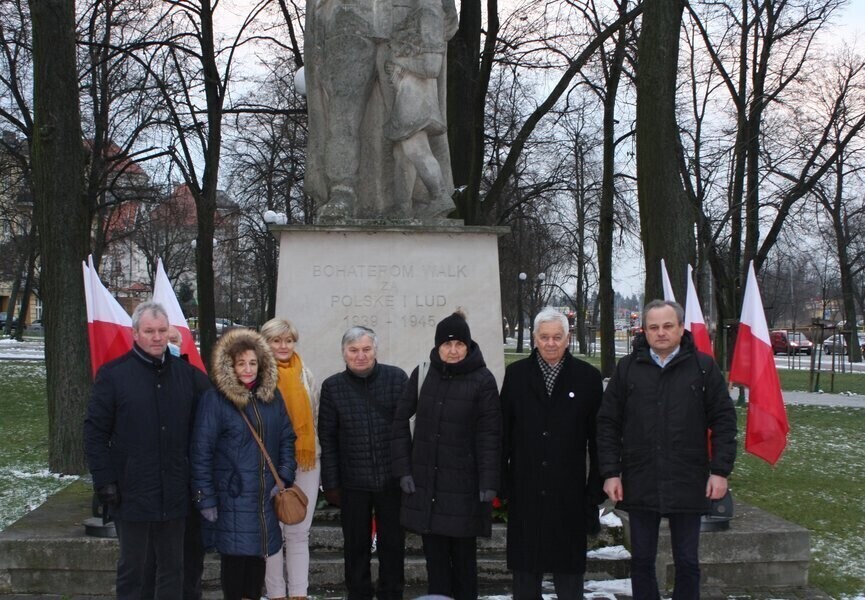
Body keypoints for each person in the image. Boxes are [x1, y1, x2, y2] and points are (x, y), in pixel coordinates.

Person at [597, 300, 737, 599]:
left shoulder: (702, 367)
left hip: (687, 477)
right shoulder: (628, 368)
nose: (661, 333)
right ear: (644, 330)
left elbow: (724, 420)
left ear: (681, 328)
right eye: (653, 327)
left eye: (667, 326)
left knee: (687, 561)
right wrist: (611, 472)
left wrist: (720, 471)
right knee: (642, 561)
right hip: (640, 476)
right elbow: (607, 423)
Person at [84, 301, 205, 599]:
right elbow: (94, 433)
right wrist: (105, 482)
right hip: (131, 491)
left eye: (162, 330)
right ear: (135, 333)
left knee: (173, 569)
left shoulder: (186, 375)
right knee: (134, 570)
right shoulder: (113, 375)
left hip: (175, 490)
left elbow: (219, 405)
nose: (156, 337)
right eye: (149, 331)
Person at [392, 310, 501, 600]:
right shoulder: (423, 373)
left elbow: (490, 434)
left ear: (468, 345)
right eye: (447, 345)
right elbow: (400, 423)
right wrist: (403, 470)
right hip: (428, 486)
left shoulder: (482, 380)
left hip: (464, 489)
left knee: (464, 563)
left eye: (459, 345)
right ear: (438, 346)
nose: (453, 351)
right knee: (436, 564)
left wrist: (489, 482)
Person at [499, 307, 604, 599]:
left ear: (568, 338)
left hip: (568, 495)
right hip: (525, 492)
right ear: (534, 338)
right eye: (544, 337)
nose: (551, 343)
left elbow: (599, 440)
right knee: (525, 578)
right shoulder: (516, 375)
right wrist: (503, 484)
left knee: (569, 580)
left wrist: (594, 490)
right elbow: (502, 435)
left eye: (557, 337)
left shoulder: (587, 378)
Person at [190, 328, 297, 600]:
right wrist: (206, 498)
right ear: (230, 366)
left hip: (264, 497)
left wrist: (283, 476)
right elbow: (201, 451)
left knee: (256, 564)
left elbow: (287, 437)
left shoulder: (271, 397)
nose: (248, 369)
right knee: (235, 566)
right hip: (232, 497)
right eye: (241, 363)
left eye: (252, 362)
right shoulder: (215, 400)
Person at [318, 326, 408, 600]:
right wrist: (332, 484)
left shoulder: (396, 378)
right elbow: (328, 438)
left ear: (375, 350)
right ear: (344, 353)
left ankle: (392, 593)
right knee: (355, 546)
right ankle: (358, 594)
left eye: (366, 349)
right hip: (353, 483)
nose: (360, 356)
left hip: (390, 480)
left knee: (393, 544)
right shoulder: (332, 387)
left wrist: (406, 473)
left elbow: (404, 432)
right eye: (353, 350)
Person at [261, 318, 320, 600]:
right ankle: (276, 594)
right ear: (265, 342)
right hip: (270, 463)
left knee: (298, 529)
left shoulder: (305, 374)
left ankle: (299, 593)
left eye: (288, 340)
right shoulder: (257, 375)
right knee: (272, 531)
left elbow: (315, 414)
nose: (283, 346)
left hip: (306, 460)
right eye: (276, 340)